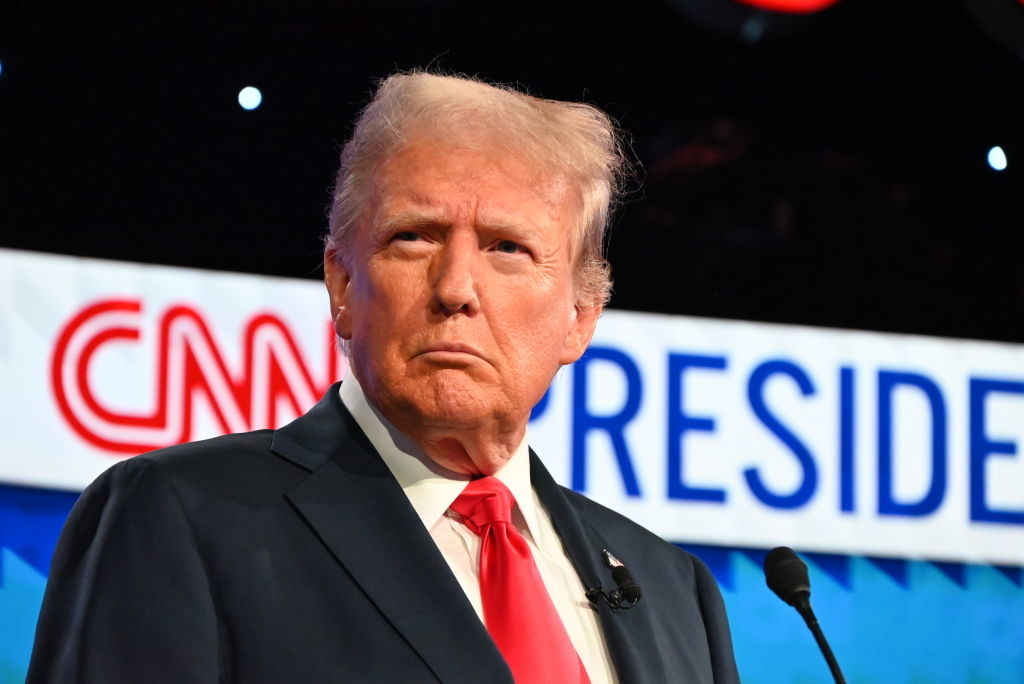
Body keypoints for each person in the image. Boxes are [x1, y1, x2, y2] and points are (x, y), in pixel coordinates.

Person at [28, 72, 739, 683]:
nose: (455, 287)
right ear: (342, 283)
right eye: (414, 237)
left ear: (580, 316)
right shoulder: (179, 515)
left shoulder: (674, 591)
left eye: (507, 247)